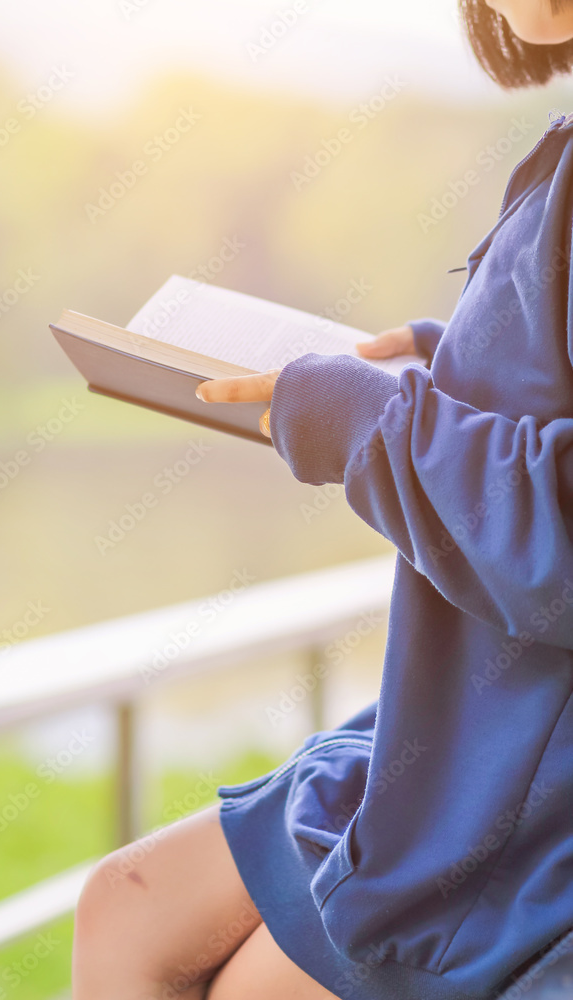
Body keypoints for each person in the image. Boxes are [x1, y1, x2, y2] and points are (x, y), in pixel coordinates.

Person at [71, 2, 573, 998]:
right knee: (123, 898)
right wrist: (451, 357)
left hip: (525, 772)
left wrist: (368, 422)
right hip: (467, 711)